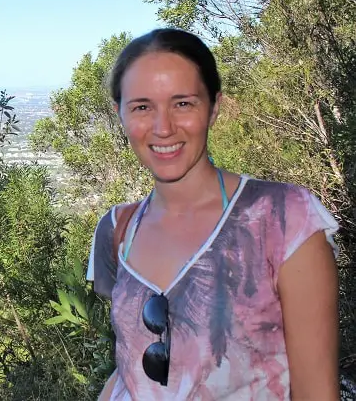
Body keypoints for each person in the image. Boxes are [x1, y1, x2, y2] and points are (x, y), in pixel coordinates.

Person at [86, 28, 340, 400]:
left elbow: (317, 392)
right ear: (120, 114)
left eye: (183, 103)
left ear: (214, 106)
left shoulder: (285, 219)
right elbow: (127, 366)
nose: (163, 127)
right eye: (142, 106)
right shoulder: (117, 228)